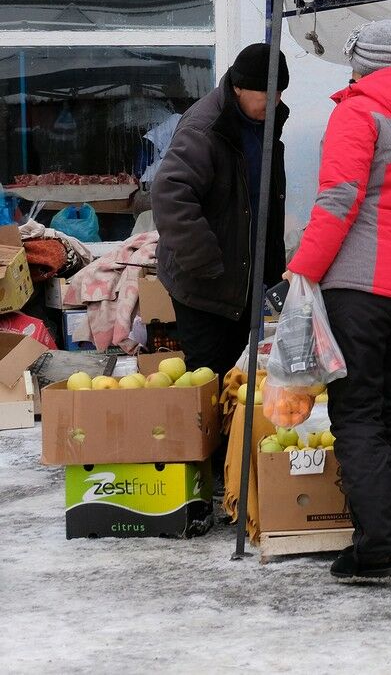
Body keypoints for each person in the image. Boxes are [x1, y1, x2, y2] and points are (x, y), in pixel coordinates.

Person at [288, 19, 391, 582]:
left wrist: (302, 268)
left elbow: (337, 200)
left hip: (359, 283)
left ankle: (376, 549)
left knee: (355, 414)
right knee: (388, 410)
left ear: (364, 61)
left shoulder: (357, 112)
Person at [151, 44, 290, 484]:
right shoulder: (205, 126)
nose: (276, 104)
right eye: (268, 96)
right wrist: (205, 260)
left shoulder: (260, 120)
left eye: (281, 95)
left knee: (241, 379)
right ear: (239, 88)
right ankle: (207, 481)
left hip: (242, 279)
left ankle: (235, 473)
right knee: (208, 381)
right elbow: (169, 194)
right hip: (206, 284)